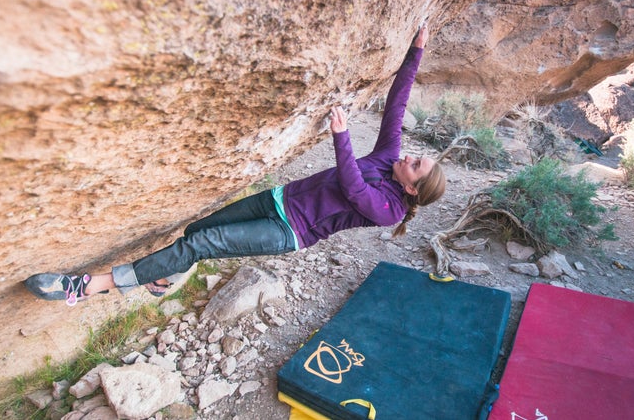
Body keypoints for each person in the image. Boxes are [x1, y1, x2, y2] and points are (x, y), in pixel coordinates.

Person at [25, 24, 446, 306]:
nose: (409, 156)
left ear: (412, 188)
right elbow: (397, 104)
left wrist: (342, 136)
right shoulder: (391, 158)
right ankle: (159, 276)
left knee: (198, 246)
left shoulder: (390, 209)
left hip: (288, 231)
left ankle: (88, 286)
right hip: (278, 199)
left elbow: (355, 189)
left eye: (416, 165)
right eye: (416, 155)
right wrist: (417, 50)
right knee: (196, 232)